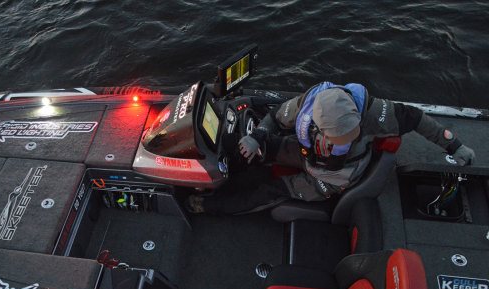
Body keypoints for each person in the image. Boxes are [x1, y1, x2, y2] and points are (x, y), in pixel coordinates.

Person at [187, 81, 476, 214]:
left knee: (268, 190)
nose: (343, 140)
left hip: (333, 177)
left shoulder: (376, 113)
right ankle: (214, 176)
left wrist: (454, 145)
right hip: (306, 152)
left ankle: (205, 205)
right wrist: (257, 137)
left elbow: (417, 119)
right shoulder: (305, 106)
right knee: (257, 149)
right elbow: (274, 117)